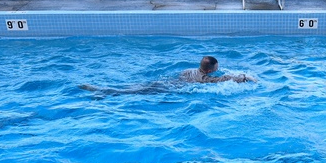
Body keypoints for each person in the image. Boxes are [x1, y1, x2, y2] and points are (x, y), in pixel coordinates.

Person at [78, 55, 253, 94]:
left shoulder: (189, 71)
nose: (218, 70)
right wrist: (244, 77)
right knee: (132, 92)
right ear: (209, 70)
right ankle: (103, 92)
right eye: (216, 68)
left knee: (135, 88)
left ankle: (102, 90)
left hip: (166, 82)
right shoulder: (205, 79)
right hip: (166, 89)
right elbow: (222, 79)